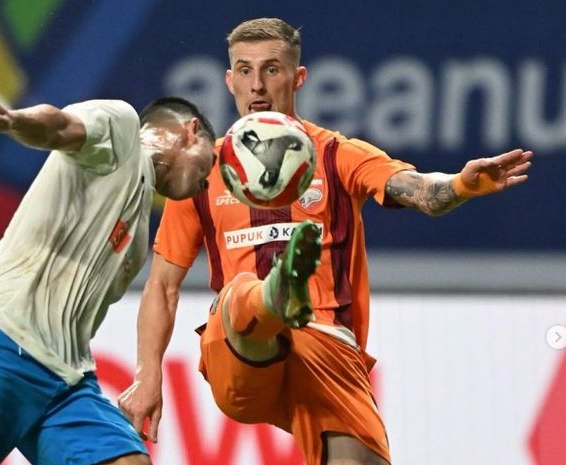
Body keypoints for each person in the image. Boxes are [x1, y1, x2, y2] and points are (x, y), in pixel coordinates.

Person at [118, 17, 533, 465]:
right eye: (244, 70)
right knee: (242, 295)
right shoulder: (204, 170)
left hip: (326, 348)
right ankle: (278, 292)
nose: (257, 85)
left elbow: (420, 191)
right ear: (228, 80)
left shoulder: (337, 154)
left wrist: (461, 185)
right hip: (241, 351)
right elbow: (162, 285)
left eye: (272, 70)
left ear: (298, 78)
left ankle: (282, 293)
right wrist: (147, 376)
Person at [0, 95, 215, 465]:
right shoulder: (123, 131)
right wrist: (13, 120)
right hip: (1, 343)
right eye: (210, 164)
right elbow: (59, 126)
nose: (206, 185)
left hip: (66, 380)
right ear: (190, 131)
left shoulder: (136, 241)